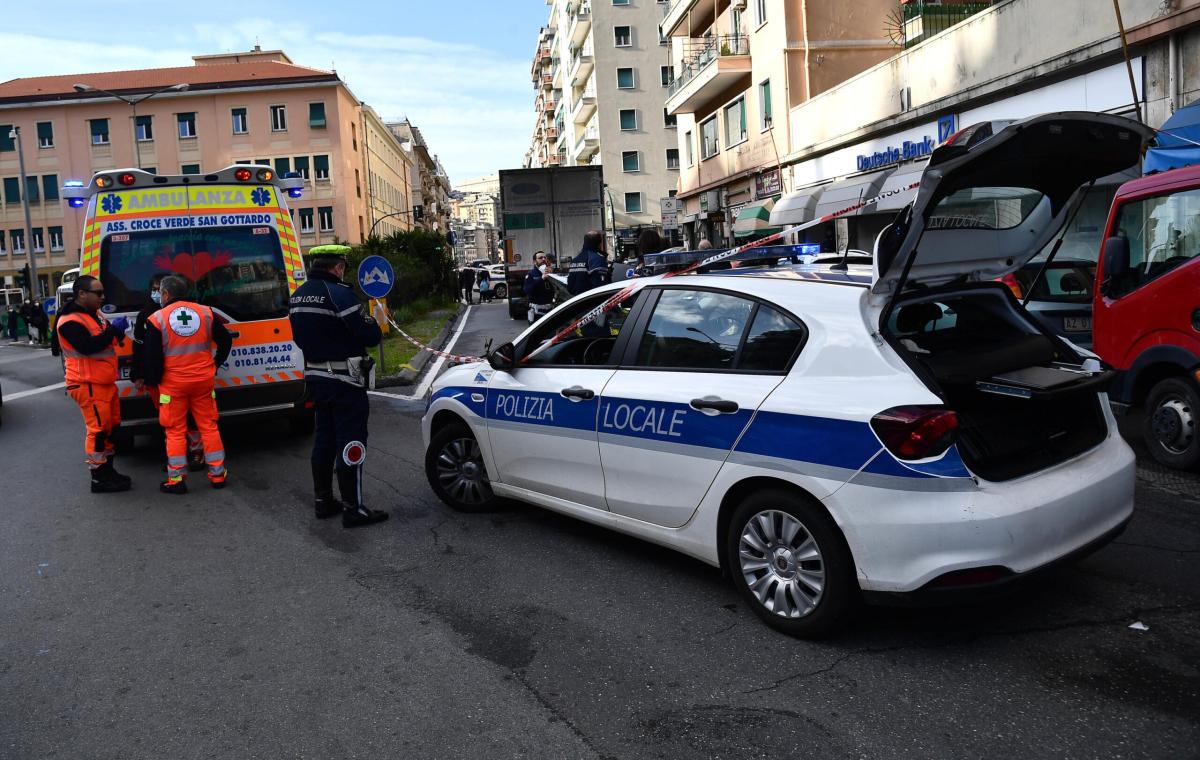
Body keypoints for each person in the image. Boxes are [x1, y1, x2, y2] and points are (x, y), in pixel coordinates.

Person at [288, 246, 389, 528]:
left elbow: (298, 337)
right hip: (345, 382)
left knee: (324, 441)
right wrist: (372, 321)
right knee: (351, 441)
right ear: (337, 267)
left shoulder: (297, 296)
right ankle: (353, 508)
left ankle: (323, 501)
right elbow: (369, 335)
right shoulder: (340, 294)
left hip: (316, 379)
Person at [142, 276, 234, 494]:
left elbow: (152, 356)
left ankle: (176, 479)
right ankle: (218, 475)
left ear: (165, 294)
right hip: (203, 380)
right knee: (209, 427)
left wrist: (153, 381)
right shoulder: (205, 312)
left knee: (174, 430)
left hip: (173, 384)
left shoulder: (157, 319)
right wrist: (215, 363)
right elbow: (226, 340)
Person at [52, 276, 132, 493]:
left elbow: (106, 341)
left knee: (111, 427)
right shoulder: (70, 321)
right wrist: (113, 331)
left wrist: (117, 332)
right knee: (98, 431)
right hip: (87, 383)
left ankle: (108, 471)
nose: (102, 297)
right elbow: (88, 346)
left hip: (103, 382)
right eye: (98, 293)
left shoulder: (93, 315)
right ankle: (99, 477)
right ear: (82, 294)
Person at [132, 274, 206, 472]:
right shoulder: (146, 316)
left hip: (179, 377)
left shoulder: (183, 313)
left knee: (190, 417)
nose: (158, 294)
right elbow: (139, 347)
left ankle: (196, 452)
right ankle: (176, 458)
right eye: (155, 289)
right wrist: (137, 374)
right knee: (170, 422)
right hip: (157, 379)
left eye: (161, 289)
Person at [567, 230, 609, 296]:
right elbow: (601, 288)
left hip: (577, 302)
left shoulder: (575, 260)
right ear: (600, 243)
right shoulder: (597, 259)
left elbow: (570, 287)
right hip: (592, 303)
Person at [523, 251, 555, 321]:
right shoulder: (531, 274)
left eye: (545, 257)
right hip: (537, 312)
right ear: (535, 262)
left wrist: (552, 276)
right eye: (540, 258)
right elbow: (527, 290)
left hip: (550, 309)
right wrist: (541, 279)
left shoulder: (550, 272)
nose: (543, 259)